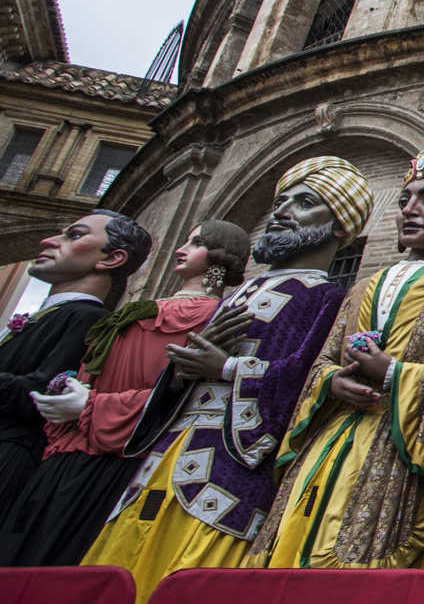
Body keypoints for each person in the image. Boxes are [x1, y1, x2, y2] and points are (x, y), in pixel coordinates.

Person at [83, 157, 366, 604]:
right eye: (281, 202)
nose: (283, 212)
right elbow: (187, 371)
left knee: (185, 596)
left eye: (305, 203)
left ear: (341, 227)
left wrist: (227, 365)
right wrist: (182, 374)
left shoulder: (327, 299)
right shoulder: (235, 294)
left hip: (230, 469)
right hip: (167, 453)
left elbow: (305, 376)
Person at [250, 150, 424, 568]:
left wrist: (391, 373)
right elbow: (324, 358)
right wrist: (331, 381)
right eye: (404, 201)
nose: (410, 210)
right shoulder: (363, 284)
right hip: (333, 434)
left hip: (392, 442)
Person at [0, 220, 244, 566]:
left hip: (117, 465)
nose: (180, 249)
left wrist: (92, 405)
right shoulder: (139, 312)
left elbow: (182, 402)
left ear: (221, 255)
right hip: (63, 456)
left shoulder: (213, 317)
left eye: (196, 243)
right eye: (185, 241)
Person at [0, 210, 152, 516]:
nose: (48, 240)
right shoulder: (50, 316)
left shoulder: (88, 320)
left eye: (75, 235)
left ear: (111, 259)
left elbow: (44, 392)